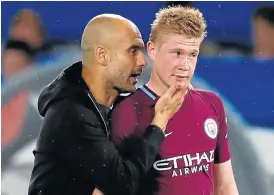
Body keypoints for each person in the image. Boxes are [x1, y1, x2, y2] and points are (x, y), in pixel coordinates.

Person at [28, 14, 186, 195]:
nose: (143, 61)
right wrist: (159, 123)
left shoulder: (110, 105)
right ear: (102, 55)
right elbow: (123, 184)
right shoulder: (71, 113)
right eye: (133, 51)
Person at [110, 6, 239, 195]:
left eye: (192, 54)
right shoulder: (125, 112)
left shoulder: (212, 104)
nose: (185, 66)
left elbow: (225, 186)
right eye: (177, 53)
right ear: (152, 50)